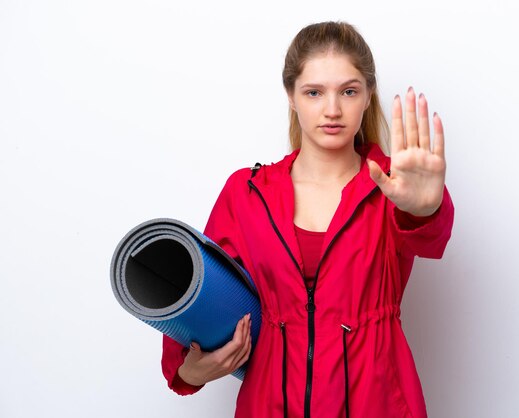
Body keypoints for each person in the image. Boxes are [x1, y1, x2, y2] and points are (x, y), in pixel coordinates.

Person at [161, 21, 454, 418]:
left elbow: (429, 238)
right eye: (314, 92)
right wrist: (191, 370)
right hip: (269, 405)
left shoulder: (393, 184)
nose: (332, 110)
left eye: (348, 91)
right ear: (291, 96)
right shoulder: (247, 193)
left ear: (368, 96)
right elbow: (199, 297)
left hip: (379, 401)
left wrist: (424, 208)